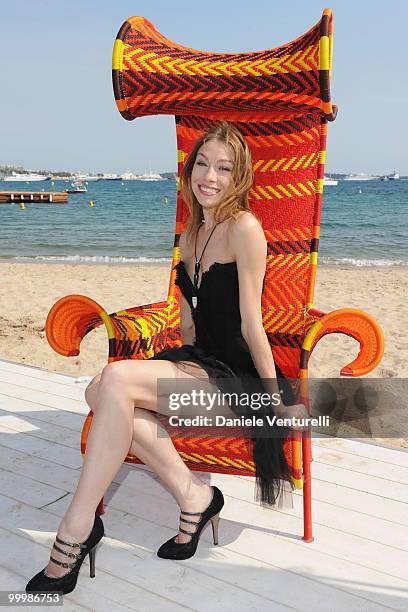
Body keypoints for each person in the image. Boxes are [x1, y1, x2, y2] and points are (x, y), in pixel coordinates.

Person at [26, 121, 308, 594]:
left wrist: (273, 397)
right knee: (105, 390)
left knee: (112, 383)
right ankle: (194, 496)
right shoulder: (190, 233)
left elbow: (251, 324)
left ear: (239, 177)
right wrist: (166, 370)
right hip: (198, 362)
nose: (210, 177)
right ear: (189, 168)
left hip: (237, 379)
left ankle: (76, 528)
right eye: (202, 163)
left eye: (224, 167)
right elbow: (190, 324)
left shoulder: (245, 228)